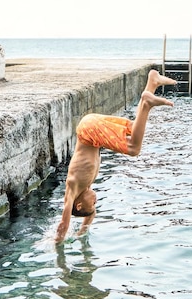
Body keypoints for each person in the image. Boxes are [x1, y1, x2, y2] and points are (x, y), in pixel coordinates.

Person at [55, 69, 177, 243]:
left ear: (79, 205)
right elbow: (90, 215)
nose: (96, 202)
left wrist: (57, 247)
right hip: (90, 127)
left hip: (89, 132)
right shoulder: (86, 188)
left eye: (93, 204)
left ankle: (147, 102)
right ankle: (153, 82)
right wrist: (81, 235)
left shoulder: (72, 189)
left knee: (134, 149)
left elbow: (63, 224)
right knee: (136, 129)